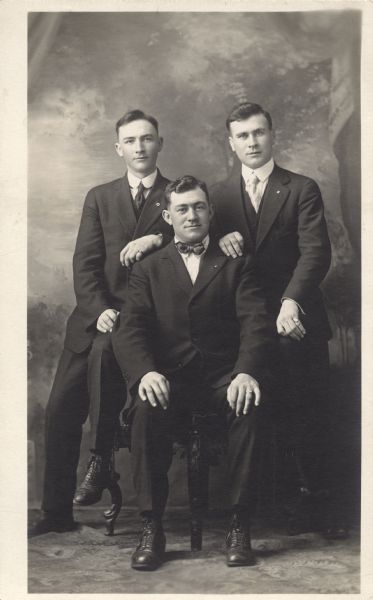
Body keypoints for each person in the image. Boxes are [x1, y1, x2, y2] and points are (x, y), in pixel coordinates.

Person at [113, 175, 274, 570]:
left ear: (210, 211)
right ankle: (152, 528)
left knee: (250, 406)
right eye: (182, 209)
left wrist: (246, 372)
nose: (191, 215)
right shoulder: (148, 269)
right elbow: (130, 329)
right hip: (169, 380)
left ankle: (240, 524)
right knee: (146, 409)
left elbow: (255, 322)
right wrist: (145, 373)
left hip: (222, 378)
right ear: (168, 216)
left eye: (199, 207)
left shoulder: (236, 264)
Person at [29, 110, 172, 536]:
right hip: (93, 321)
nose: (140, 147)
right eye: (131, 141)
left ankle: (104, 465)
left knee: (123, 404)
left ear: (160, 143)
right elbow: (85, 262)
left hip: (145, 325)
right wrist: (98, 310)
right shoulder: (100, 196)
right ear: (119, 149)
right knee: (60, 411)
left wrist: (157, 237)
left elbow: (192, 233)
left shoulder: (176, 193)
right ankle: (56, 513)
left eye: (147, 139)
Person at [210, 102, 333, 530]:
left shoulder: (301, 188)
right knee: (252, 407)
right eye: (242, 136)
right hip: (243, 326)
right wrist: (218, 235)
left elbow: (316, 252)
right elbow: (196, 246)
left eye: (258, 132)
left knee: (303, 408)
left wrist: (291, 300)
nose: (252, 142)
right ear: (231, 143)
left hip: (295, 319)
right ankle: (260, 505)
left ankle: (313, 501)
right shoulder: (218, 196)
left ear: (272, 134)